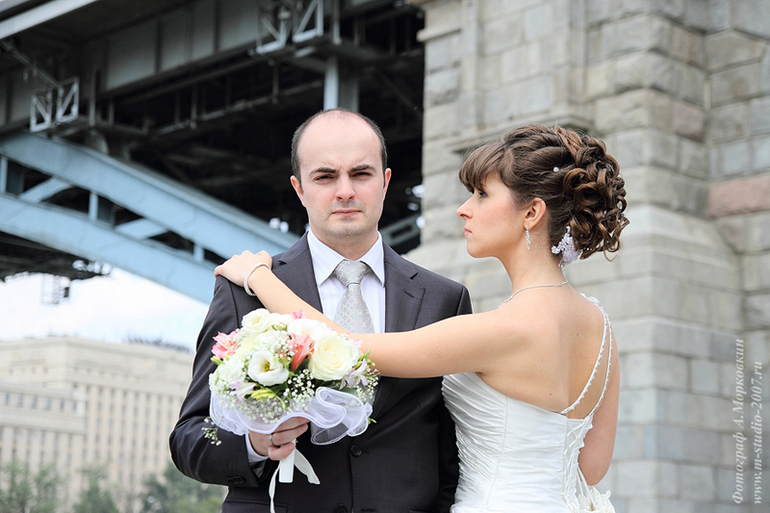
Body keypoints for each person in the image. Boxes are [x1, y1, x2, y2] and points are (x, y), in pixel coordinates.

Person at [215, 124, 628, 512]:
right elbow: (590, 468)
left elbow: (344, 347)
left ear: (532, 213)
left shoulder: (501, 329)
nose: (463, 210)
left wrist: (257, 277)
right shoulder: (601, 327)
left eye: (482, 194)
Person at [170, 108, 472, 513]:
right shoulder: (243, 289)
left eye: (361, 174)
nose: (345, 191)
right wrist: (255, 442)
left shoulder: (445, 299)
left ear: (385, 182)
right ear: (299, 188)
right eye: (325, 177)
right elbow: (190, 439)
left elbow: (457, 454)